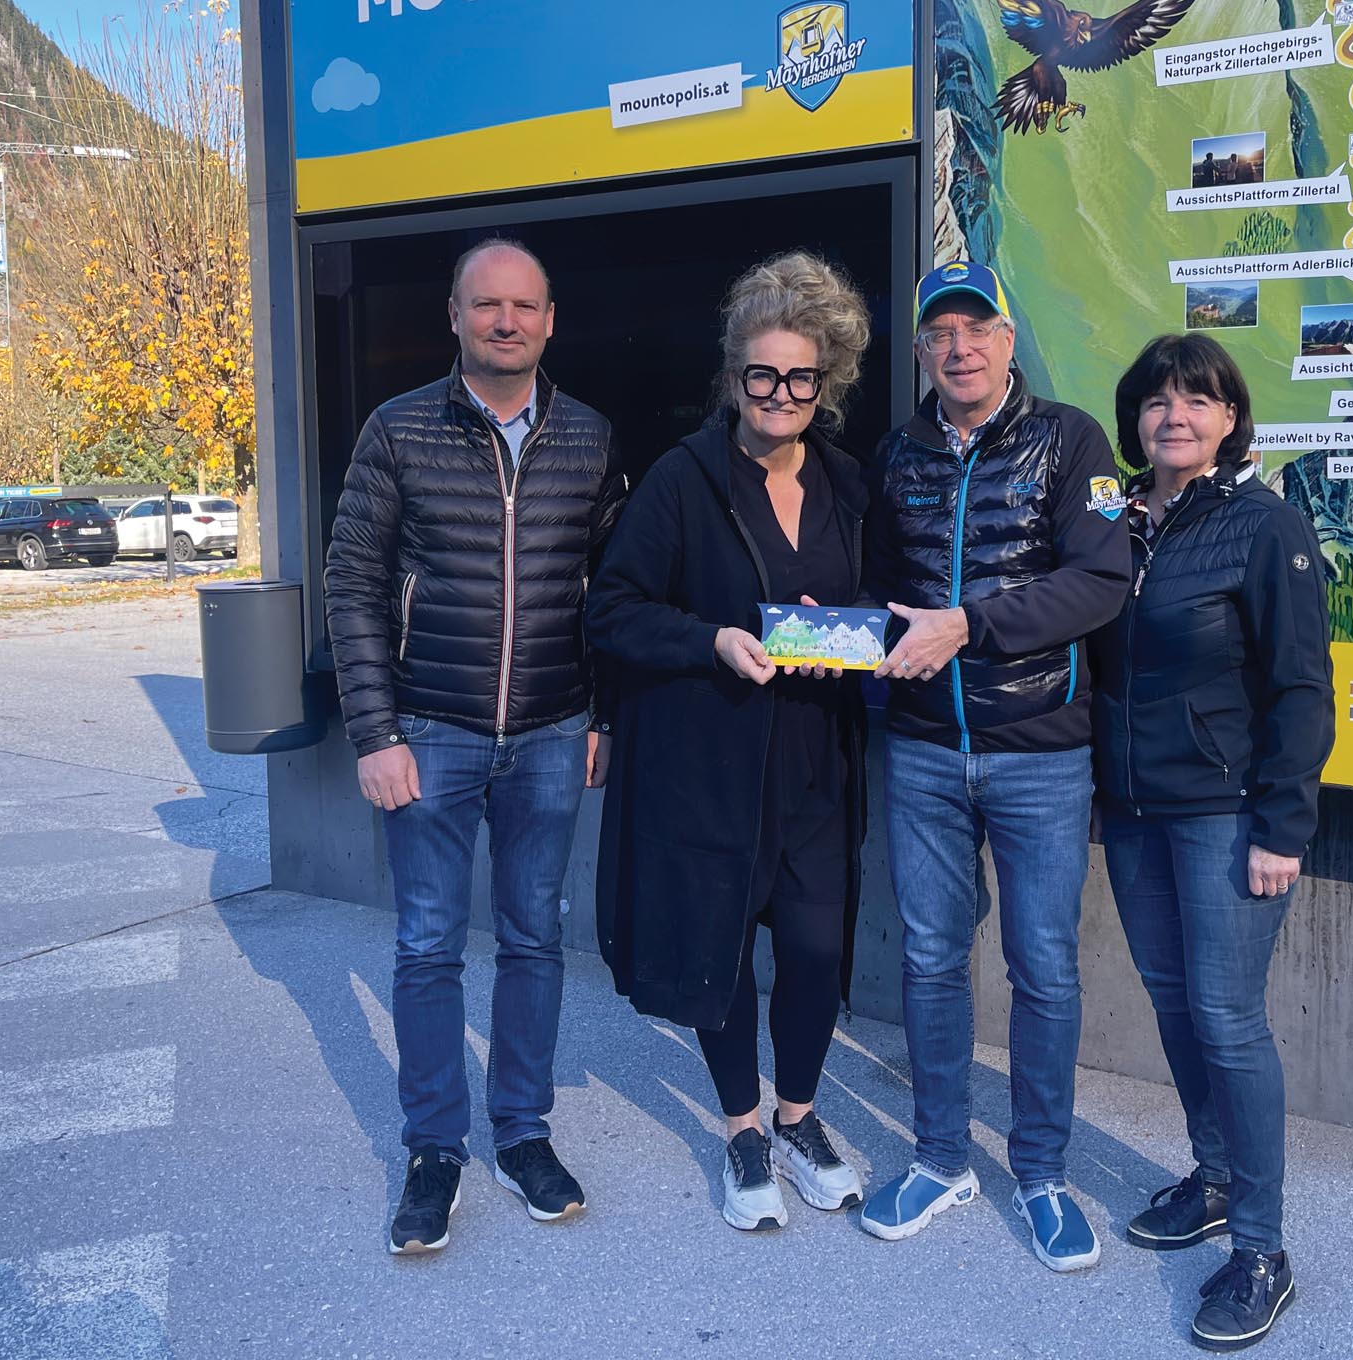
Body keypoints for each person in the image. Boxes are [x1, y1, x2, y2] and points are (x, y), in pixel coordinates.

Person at [323, 237, 627, 1256]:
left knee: (535, 937)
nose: (506, 321)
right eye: (486, 304)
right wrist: (375, 731)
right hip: (431, 730)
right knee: (426, 944)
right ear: (454, 316)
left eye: (523, 305)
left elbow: (609, 594)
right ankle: (433, 1149)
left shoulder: (588, 437)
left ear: (550, 321)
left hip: (551, 732)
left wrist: (603, 715)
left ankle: (523, 1132)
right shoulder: (398, 428)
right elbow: (352, 586)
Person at [588, 252, 872, 1232]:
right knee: (723, 949)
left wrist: (847, 633)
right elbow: (613, 610)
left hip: (817, 757)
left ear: (826, 381)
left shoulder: (848, 483)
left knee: (815, 948)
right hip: (711, 761)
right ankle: (744, 1127)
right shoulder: (682, 479)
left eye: (801, 377)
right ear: (733, 374)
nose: (780, 394)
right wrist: (710, 639)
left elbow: (874, 602)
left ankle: (799, 1116)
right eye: (762, 374)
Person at [855, 260, 1130, 1272]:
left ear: (1008, 340)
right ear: (921, 350)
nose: (959, 347)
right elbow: (877, 592)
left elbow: (1100, 580)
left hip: (1040, 752)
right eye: (941, 332)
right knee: (930, 957)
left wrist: (968, 625)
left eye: (977, 328)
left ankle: (1043, 1173)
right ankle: (939, 1158)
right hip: (924, 750)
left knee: (1042, 966)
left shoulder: (1071, 440)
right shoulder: (896, 455)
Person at [1089, 332, 1332, 1351]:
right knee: (1173, 1001)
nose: (1174, 415)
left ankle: (1263, 1251)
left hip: (1227, 814)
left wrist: (1283, 825)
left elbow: (1302, 686)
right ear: (1135, 419)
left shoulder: (1264, 525)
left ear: (1230, 418)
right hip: (1132, 811)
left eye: (1196, 399)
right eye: (1156, 400)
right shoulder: (1111, 521)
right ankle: (1217, 1175)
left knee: (1229, 1020)